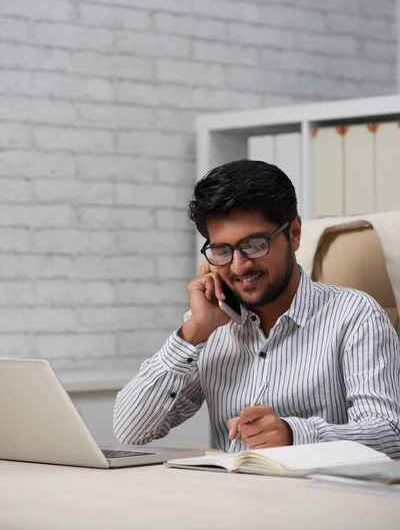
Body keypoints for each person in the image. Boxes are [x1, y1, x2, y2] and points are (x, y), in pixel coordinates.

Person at [113, 160, 400, 457]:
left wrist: (293, 434)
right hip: (232, 496)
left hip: (323, 497)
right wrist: (193, 332)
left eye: (254, 244)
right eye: (222, 251)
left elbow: (389, 433)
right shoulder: (209, 326)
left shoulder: (355, 315)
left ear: (295, 233)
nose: (239, 266)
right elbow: (130, 431)